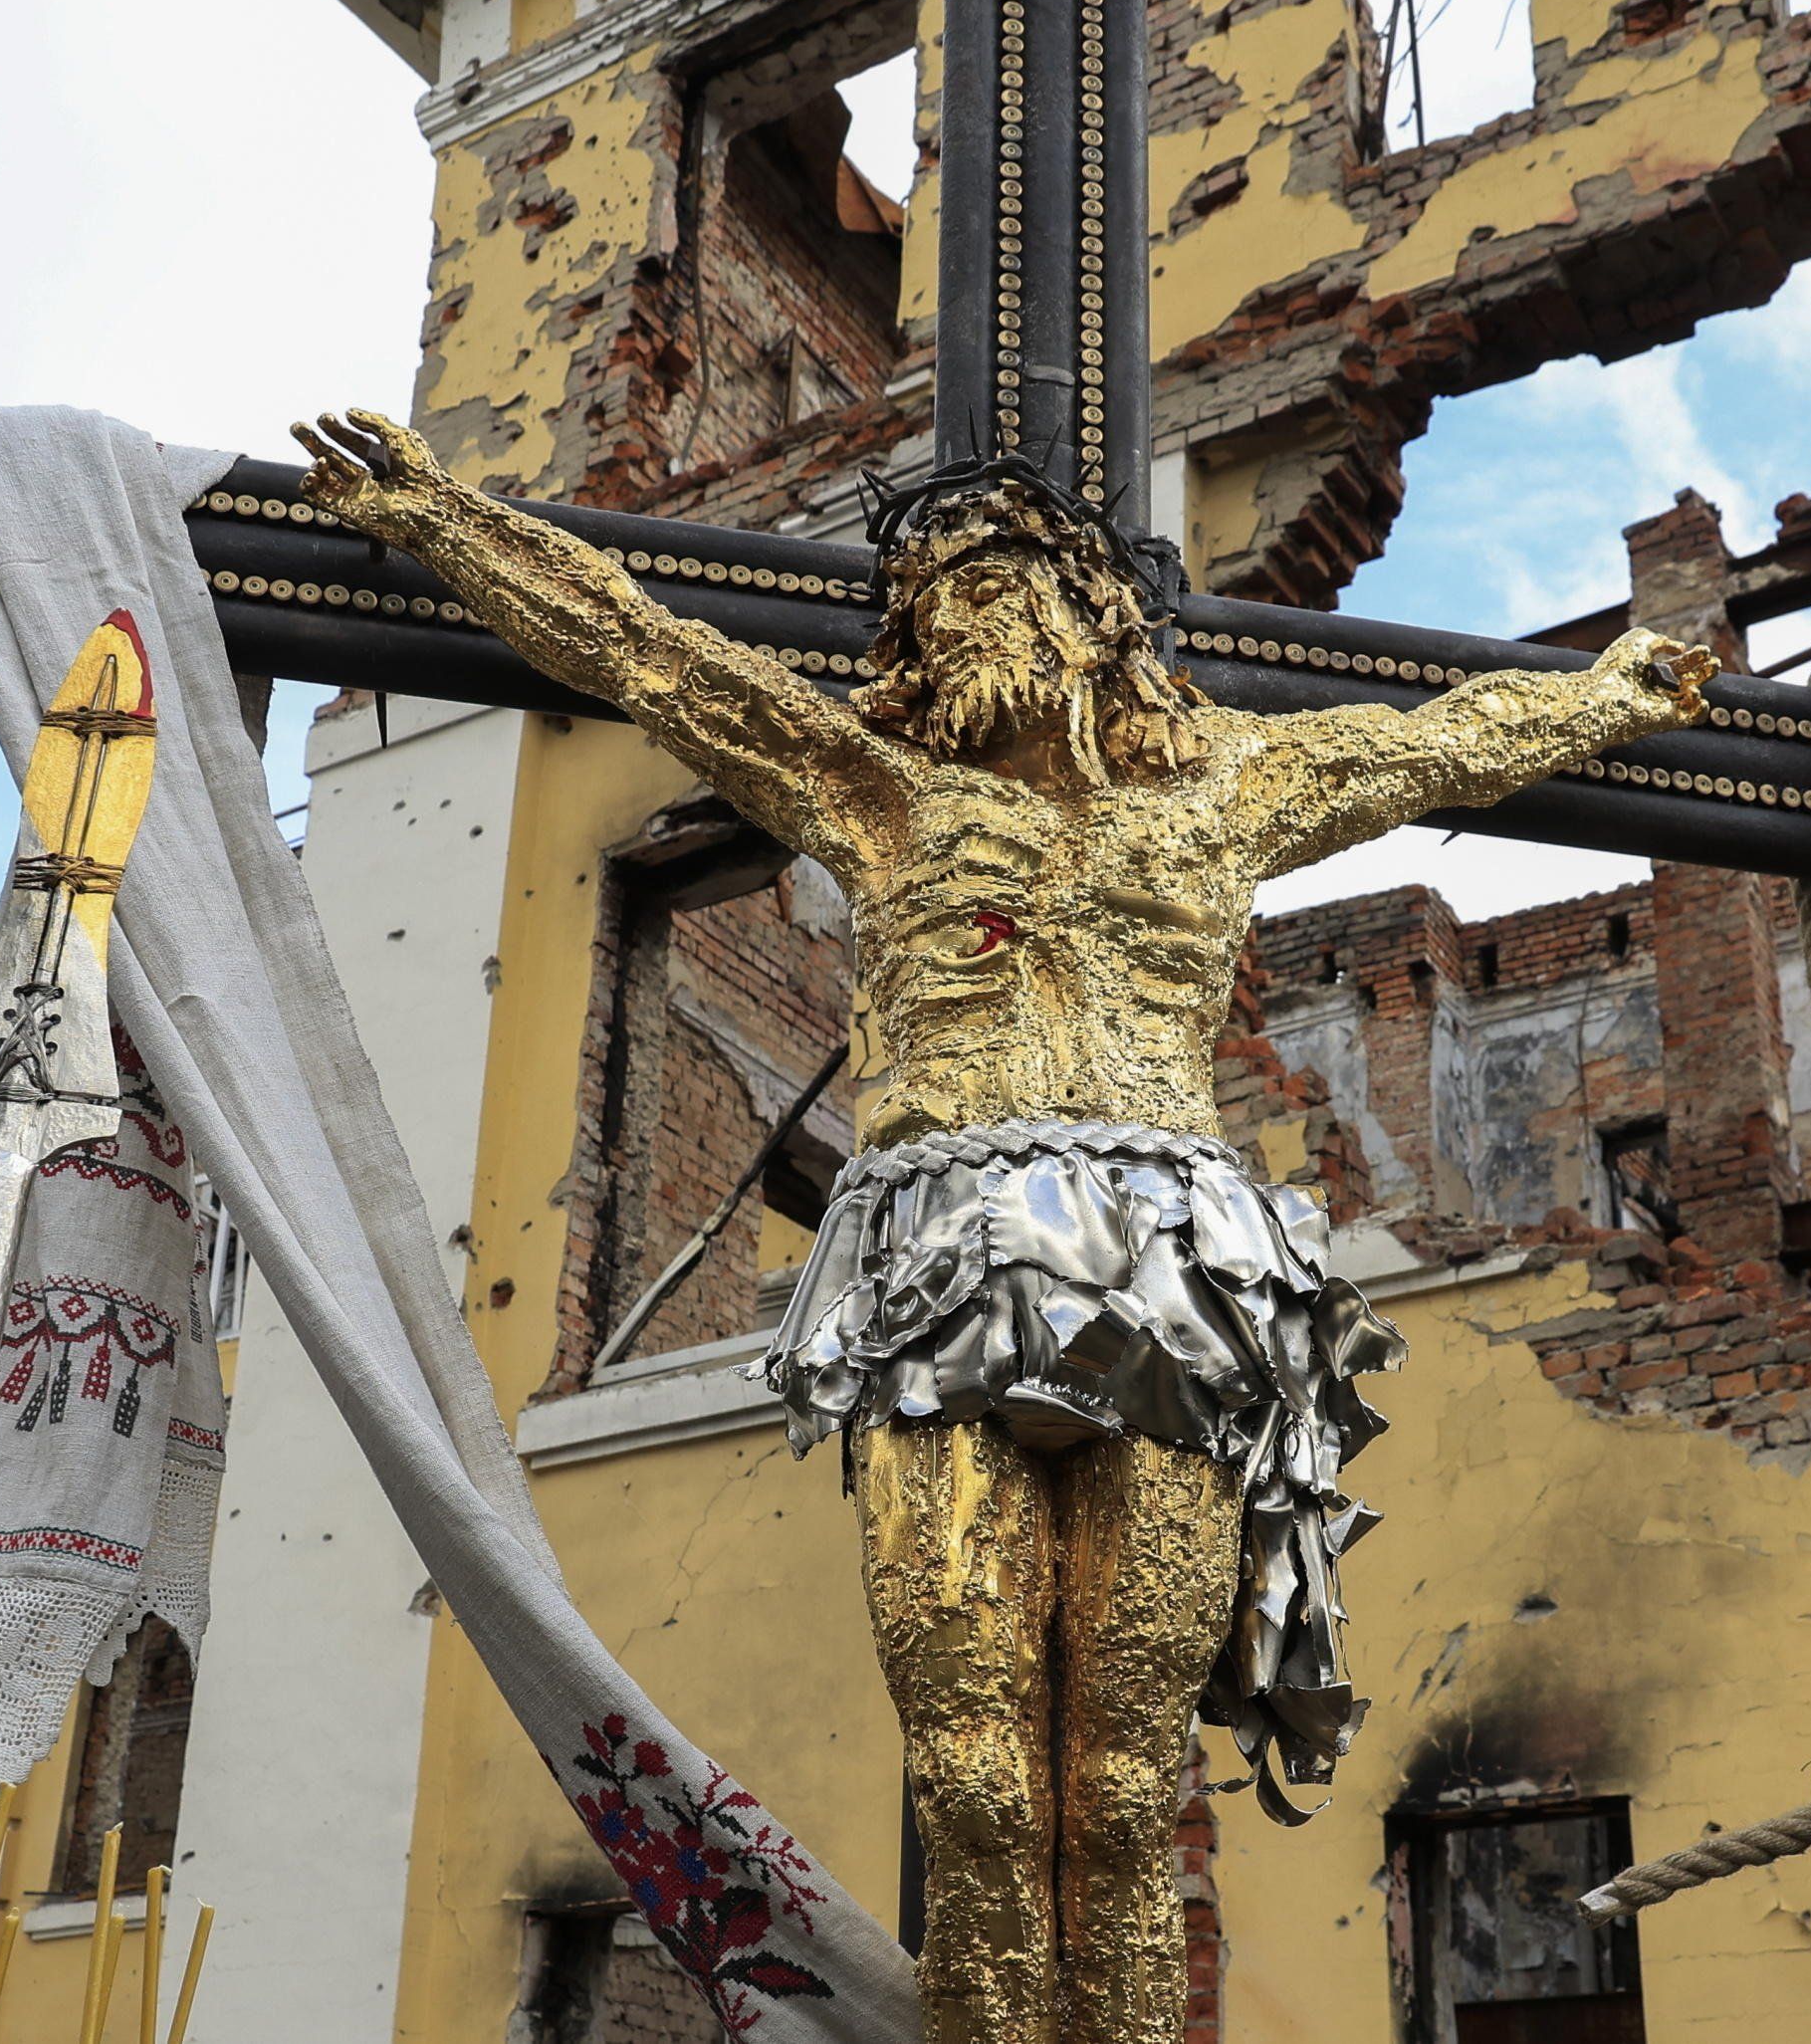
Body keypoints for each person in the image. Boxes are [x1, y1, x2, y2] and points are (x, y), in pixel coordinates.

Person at [295, 410, 1718, 2044]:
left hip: (1177, 1288)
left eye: (990, 585)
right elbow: (648, 652)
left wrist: (1608, 695)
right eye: (930, 605)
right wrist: (442, 525)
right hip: (945, 1274)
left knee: (1120, 1794)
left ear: (1092, 616)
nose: (955, 623)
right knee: (973, 1776)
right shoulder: (876, 789)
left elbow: (1439, 744)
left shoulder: (1230, 792)